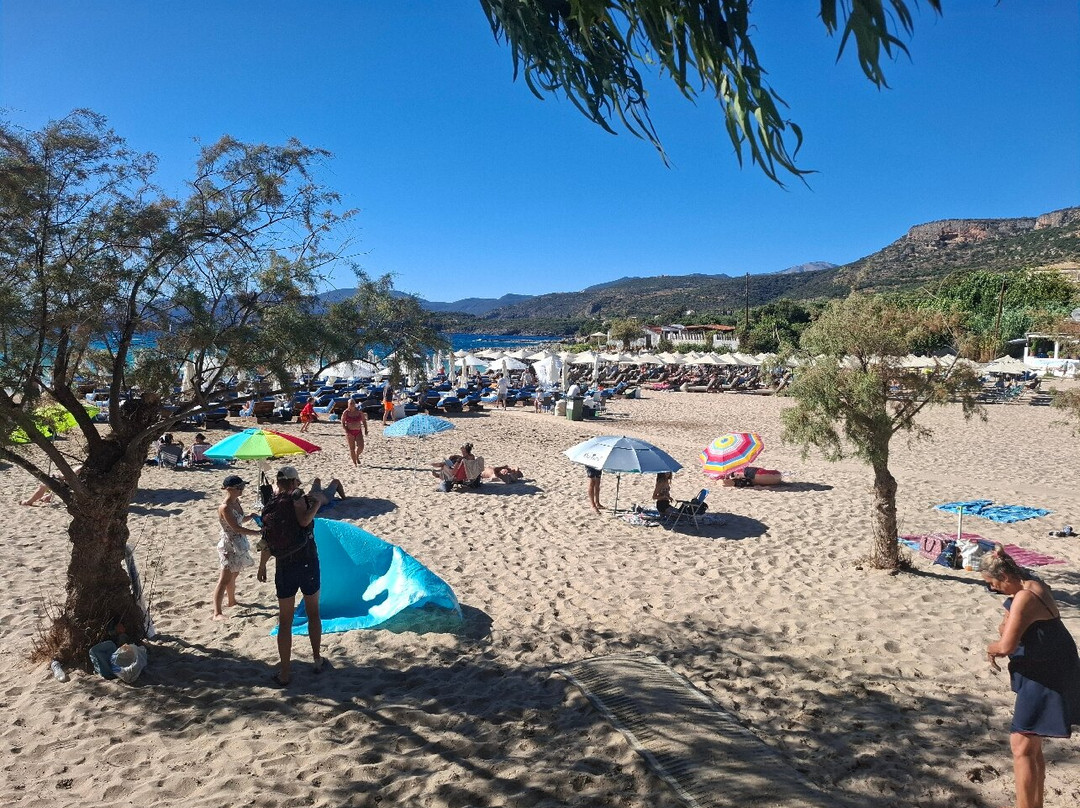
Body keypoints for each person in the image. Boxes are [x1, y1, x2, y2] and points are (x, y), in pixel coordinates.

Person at [984, 544, 1080, 808]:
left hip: (1045, 672)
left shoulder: (1025, 598)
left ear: (1004, 577)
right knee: (1031, 744)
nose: (991, 589)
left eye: (992, 583)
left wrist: (989, 649)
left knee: (1021, 745)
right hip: (1052, 664)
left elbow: (1005, 647)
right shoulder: (1033, 584)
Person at [257, 465, 327, 685]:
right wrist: (315, 504)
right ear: (294, 482)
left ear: (278, 482)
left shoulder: (270, 506)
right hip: (307, 562)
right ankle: (316, 660)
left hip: (284, 565)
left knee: (285, 621)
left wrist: (262, 565)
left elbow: (267, 540)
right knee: (313, 613)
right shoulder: (299, 499)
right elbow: (305, 521)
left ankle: (285, 672)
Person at [213, 475, 261, 620]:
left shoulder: (236, 502)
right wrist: (258, 533)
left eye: (243, 487)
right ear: (229, 489)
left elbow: (239, 519)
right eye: (239, 488)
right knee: (224, 578)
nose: (242, 490)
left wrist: (251, 516)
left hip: (239, 544)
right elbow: (236, 528)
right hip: (229, 545)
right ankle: (217, 613)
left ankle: (232, 601)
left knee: (234, 574)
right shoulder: (225, 507)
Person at [341, 398, 368, 466]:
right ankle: (355, 463)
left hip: (358, 431)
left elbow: (364, 421)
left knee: (361, 447)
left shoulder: (359, 412)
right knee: (352, 448)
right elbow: (342, 422)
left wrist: (366, 429)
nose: (352, 405)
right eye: (351, 403)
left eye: (353, 403)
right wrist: (346, 430)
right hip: (350, 432)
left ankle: (357, 455)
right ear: (348, 405)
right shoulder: (346, 412)